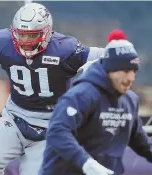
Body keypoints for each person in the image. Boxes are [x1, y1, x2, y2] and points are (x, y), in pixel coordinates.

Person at [0, 3, 104, 175]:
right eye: (20, 35)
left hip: (51, 125)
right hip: (16, 116)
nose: (24, 41)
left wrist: (97, 67)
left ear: (46, 33)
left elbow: (112, 55)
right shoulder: (5, 42)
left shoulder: (65, 49)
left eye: (31, 35)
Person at [40, 29, 152, 175]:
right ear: (110, 70)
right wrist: (86, 163)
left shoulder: (130, 100)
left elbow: (141, 142)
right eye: (125, 71)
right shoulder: (82, 95)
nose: (131, 78)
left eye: (133, 71)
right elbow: (57, 132)